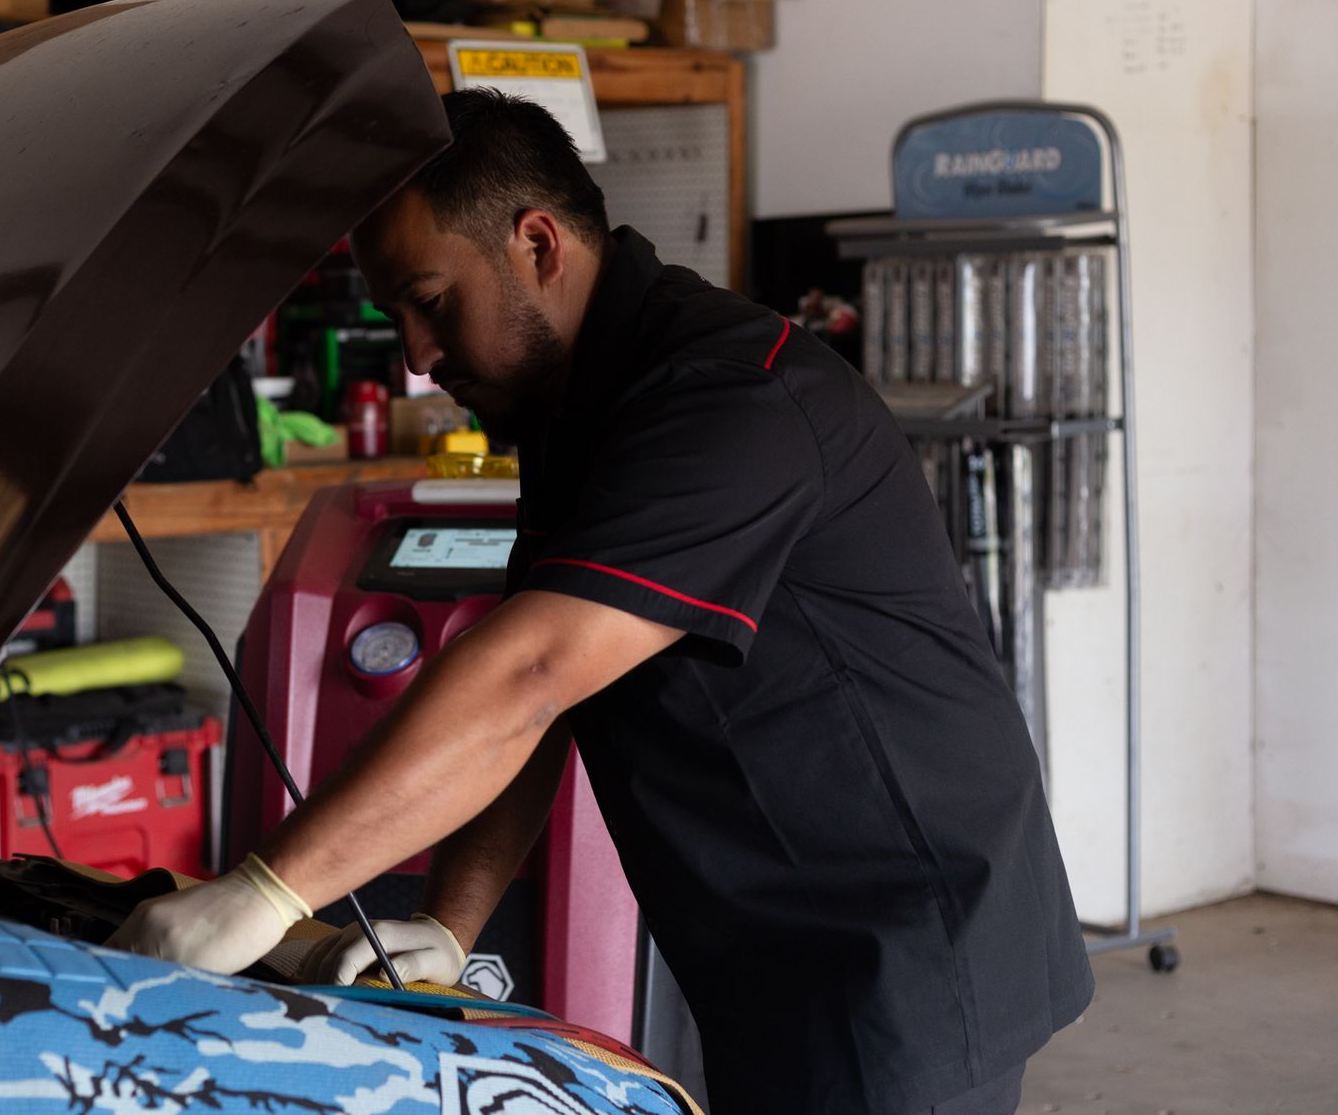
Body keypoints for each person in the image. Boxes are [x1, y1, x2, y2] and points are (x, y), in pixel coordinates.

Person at [109, 89, 1092, 1115]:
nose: (414, 354)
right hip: (779, 940)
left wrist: (265, 892)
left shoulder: (731, 400)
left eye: (432, 300)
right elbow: (552, 690)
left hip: (901, 949)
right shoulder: (582, 409)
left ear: (537, 243)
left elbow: (527, 677)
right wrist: (452, 919)